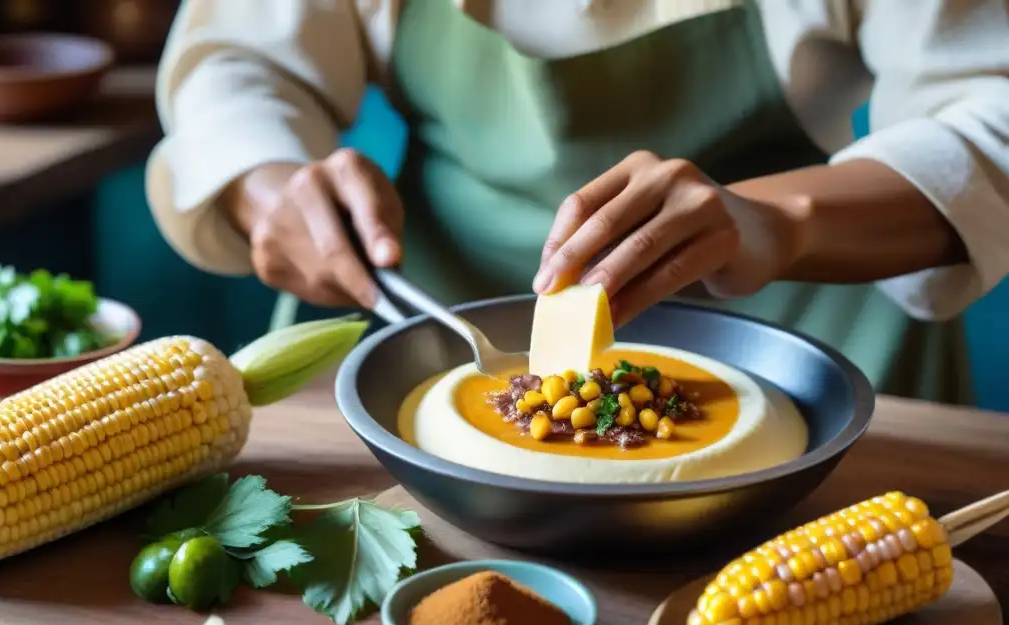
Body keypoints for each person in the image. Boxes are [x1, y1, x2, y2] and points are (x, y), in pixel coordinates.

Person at [146, 0, 1009, 403]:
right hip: (426, 315)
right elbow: (238, 62)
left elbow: (992, 108)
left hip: (810, 339)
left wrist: (773, 219)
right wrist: (272, 189)